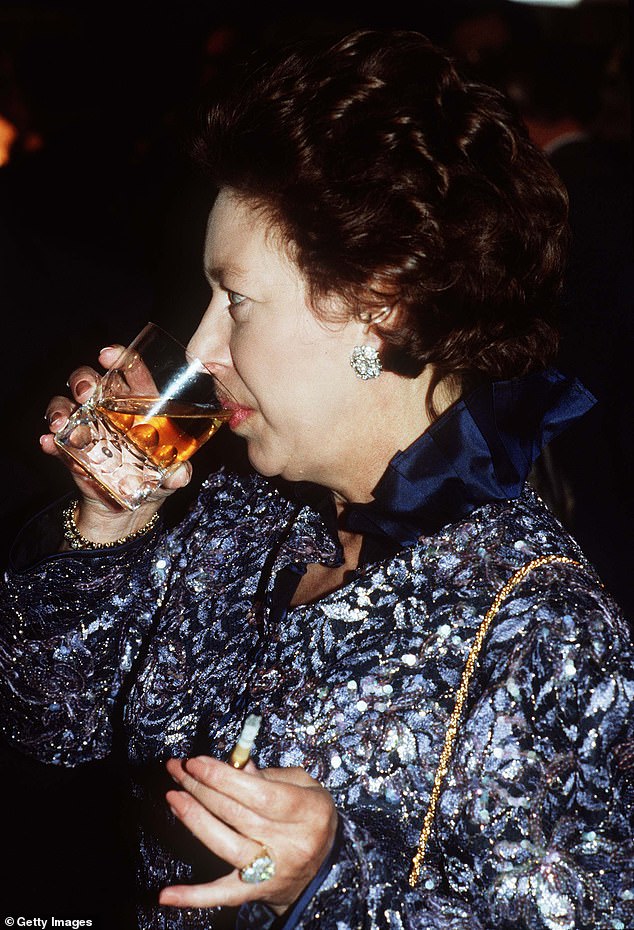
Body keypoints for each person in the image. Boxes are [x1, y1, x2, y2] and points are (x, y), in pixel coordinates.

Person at [1, 28, 632, 930]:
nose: (203, 345)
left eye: (238, 298)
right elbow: (46, 725)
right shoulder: (242, 514)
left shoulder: (546, 628)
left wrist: (331, 882)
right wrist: (107, 521)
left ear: (379, 301)